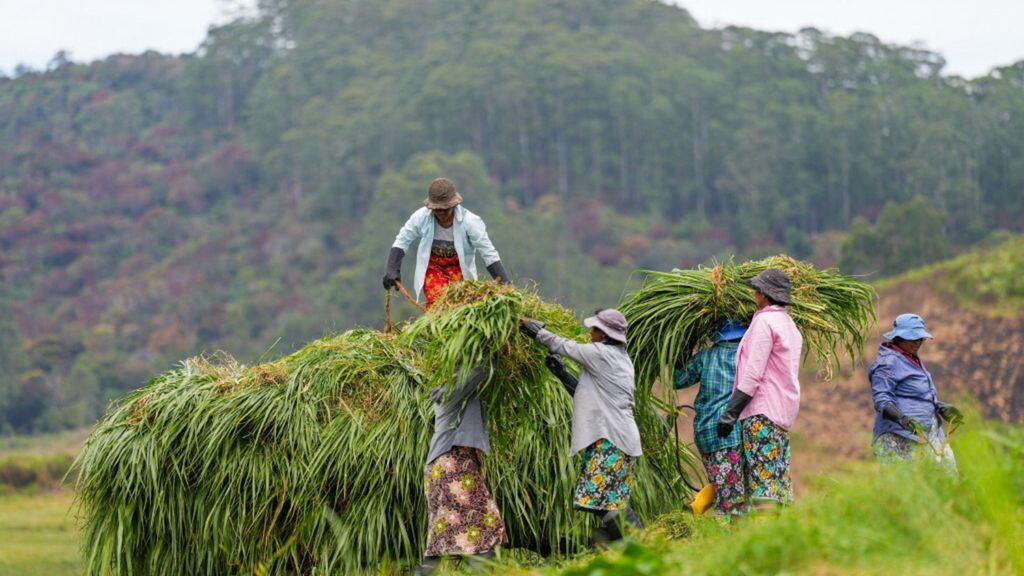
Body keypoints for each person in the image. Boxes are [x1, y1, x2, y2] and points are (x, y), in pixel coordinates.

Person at [521, 309, 643, 543]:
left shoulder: (602, 354)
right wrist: (562, 374)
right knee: (604, 500)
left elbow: (564, 346)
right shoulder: (618, 358)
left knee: (598, 498)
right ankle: (623, 543)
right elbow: (589, 395)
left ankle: (634, 542)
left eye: (595, 329)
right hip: (617, 438)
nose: (590, 333)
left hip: (612, 439)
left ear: (605, 334)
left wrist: (537, 332)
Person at [716, 268, 803, 510]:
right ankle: (783, 539)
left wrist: (730, 412)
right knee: (777, 484)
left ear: (765, 294)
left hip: (761, 415)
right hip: (781, 414)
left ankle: (767, 540)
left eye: (757, 290)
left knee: (762, 485)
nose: (754, 294)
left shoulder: (764, 322)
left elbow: (753, 374)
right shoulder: (790, 325)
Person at [417, 366, 507, 575]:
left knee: (444, 525)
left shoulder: (454, 390)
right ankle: (478, 570)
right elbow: (482, 371)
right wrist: (491, 349)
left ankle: (425, 571)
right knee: (488, 521)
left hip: (448, 465)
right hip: (452, 464)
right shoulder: (453, 389)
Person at [383, 178, 510, 307]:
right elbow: (402, 240)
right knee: (437, 305)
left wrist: (506, 286)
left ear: (454, 205)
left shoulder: (470, 222)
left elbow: (488, 253)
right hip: (433, 270)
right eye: (438, 210)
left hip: (460, 272)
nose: (442, 213)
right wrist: (392, 269)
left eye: (446, 209)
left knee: (460, 308)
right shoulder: (421, 217)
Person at [868, 313, 961, 475]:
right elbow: (882, 400)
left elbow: (915, 396)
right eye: (912, 338)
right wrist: (902, 419)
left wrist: (940, 407)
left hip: (927, 434)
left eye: (920, 338)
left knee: (947, 479)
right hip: (899, 436)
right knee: (906, 489)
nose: (918, 342)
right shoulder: (886, 363)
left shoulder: (910, 357)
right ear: (898, 338)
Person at [674, 319, 749, 517]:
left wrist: (684, 350)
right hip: (730, 432)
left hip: (706, 432)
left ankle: (698, 505)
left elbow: (678, 380)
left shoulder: (706, 357)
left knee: (723, 481)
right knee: (733, 498)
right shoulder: (746, 357)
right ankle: (728, 537)